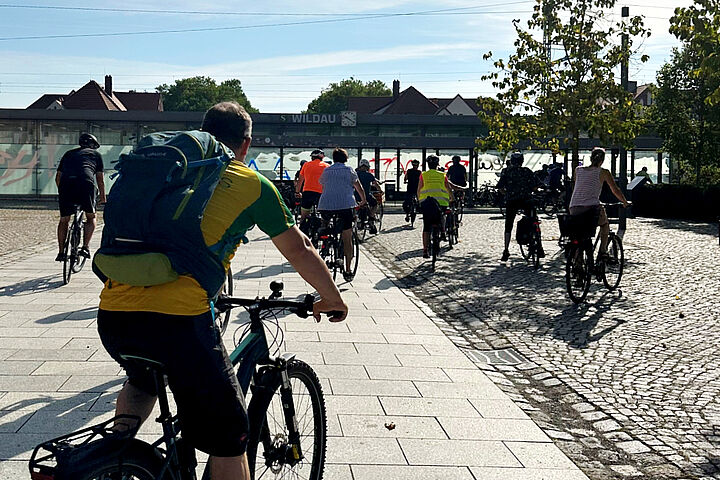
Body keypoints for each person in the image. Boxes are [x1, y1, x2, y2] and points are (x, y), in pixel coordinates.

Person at [96, 102, 348, 480]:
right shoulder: (249, 182)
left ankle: (111, 459)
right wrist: (333, 298)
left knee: (142, 380)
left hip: (114, 316)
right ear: (246, 144)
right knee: (231, 439)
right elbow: (299, 249)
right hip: (178, 323)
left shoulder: (167, 174)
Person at [318, 148, 367, 281]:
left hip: (325, 206)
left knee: (327, 225)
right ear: (345, 158)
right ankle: (348, 269)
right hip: (345, 205)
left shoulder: (326, 170)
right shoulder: (349, 170)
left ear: (334, 159)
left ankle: (325, 242)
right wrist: (363, 200)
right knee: (347, 237)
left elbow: (322, 183)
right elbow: (359, 187)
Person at [55, 133, 106, 261]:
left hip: (66, 185)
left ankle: (61, 252)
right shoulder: (96, 155)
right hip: (85, 183)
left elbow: (58, 177)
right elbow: (100, 180)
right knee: (91, 216)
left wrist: (62, 192)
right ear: (93, 146)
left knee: (64, 219)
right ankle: (85, 247)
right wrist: (103, 198)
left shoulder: (68, 154)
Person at [569, 147, 629, 255]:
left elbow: (577, 187)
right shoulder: (604, 172)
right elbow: (615, 190)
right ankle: (603, 251)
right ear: (603, 160)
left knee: (580, 234)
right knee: (605, 224)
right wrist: (625, 202)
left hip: (574, 207)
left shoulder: (578, 170)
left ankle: (578, 263)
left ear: (591, 158)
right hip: (591, 208)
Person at [497, 152, 543, 262]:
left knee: (509, 225)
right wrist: (533, 190)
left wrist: (507, 194)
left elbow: (500, 187)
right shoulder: (527, 171)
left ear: (511, 161)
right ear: (522, 161)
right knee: (534, 219)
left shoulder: (506, 171)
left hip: (512, 200)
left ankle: (506, 250)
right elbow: (536, 185)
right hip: (526, 199)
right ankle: (540, 247)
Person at [417, 154, 454, 258]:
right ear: (437, 164)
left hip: (427, 203)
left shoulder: (423, 175)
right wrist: (452, 198)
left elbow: (419, 189)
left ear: (427, 165)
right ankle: (442, 230)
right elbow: (448, 188)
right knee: (443, 215)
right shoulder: (442, 175)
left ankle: (425, 250)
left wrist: (419, 201)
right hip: (441, 202)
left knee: (426, 226)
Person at [295, 149, 328, 222]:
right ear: (322, 158)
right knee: (325, 216)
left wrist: (297, 192)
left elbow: (300, 180)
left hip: (307, 193)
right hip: (321, 194)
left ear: (312, 157)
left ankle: (303, 228)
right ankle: (324, 227)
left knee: (304, 215)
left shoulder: (306, 165)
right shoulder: (327, 166)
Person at [356, 159, 380, 234]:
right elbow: (376, 184)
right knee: (375, 204)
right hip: (366, 196)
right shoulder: (369, 175)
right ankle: (371, 217)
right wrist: (380, 190)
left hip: (356, 196)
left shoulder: (355, 174)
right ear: (367, 167)